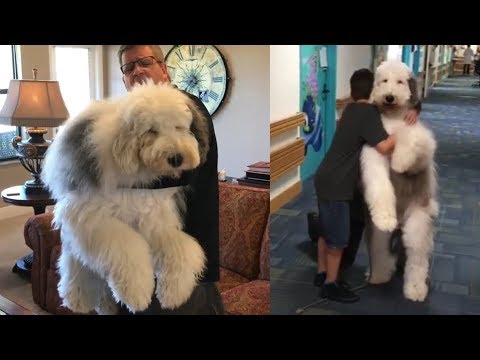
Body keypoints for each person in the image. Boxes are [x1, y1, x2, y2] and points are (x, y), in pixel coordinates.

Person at [116, 45, 224, 315]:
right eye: (129, 68)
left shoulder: (186, 108)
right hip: (141, 259)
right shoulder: (127, 120)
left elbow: (178, 172)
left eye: (144, 62)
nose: (137, 70)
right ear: (124, 80)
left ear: (164, 69)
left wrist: (110, 181)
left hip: (183, 263)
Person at [312, 68, 420, 303]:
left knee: (326, 229)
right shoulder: (367, 113)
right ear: (374, 90)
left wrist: (412, 108)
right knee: (338, 238)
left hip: (324, 177)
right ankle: (330, 285)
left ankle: (321, 273)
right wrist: (405, 128)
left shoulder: (350, 109)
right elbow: (383, 146)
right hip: (337, 184)